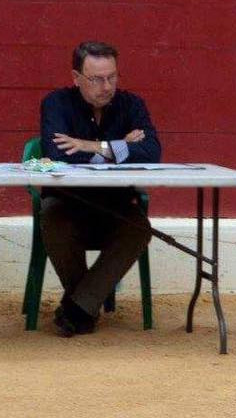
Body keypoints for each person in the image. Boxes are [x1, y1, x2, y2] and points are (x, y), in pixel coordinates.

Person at [39, 40, 161, 336]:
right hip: (67, 202)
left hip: (115, 204)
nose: (106, 87)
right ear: (76, 77)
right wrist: (120, 148)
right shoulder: (56, 103)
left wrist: (91, 146)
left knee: (139, 228)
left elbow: (151, 152)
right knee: (53, 219)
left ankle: (77, 310)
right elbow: (57, 154)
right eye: (96, 79)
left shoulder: (132, 105)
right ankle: (86, 305)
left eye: (112, 77)